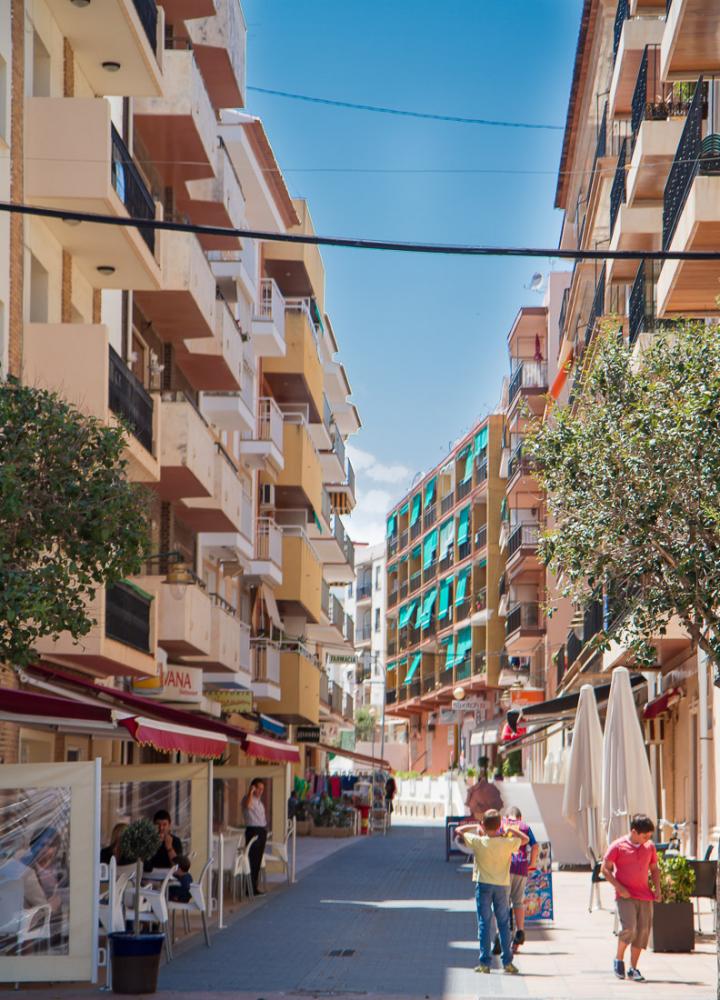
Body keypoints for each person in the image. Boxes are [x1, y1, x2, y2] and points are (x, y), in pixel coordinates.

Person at [456, 808, 529, 976]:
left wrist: (476, 826)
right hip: (502, 886)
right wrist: (510, 829)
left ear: (484, 825)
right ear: (499, 826)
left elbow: (458, 831)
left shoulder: (478, 841)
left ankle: (485, 963)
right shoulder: (506, 842)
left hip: (483, 886)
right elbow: (525, 840)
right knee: (503, 924)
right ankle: (508, 962)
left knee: (484, 923)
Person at [601, 813, 661, 982]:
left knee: (642, 932)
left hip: (645, 895)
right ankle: (618, 959)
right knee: (629, 928)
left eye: (650, 835)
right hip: (625, 895)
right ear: (634, 832)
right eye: (645, 835)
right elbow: (605, 869)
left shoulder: (649, 847)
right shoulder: (618, 846)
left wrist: (657, 889)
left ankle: (633, 968)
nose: (648, 838)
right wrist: (619, 887)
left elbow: (654, 869)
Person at [503, 806, 538, 950]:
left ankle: (503, 936)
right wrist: (532, 864)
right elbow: (535, 846)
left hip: (505, 867)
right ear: (520, 817)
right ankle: (520, 932)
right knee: (518, 901)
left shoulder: (502, 824)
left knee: (503, 903)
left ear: (507, 816)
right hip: (521, 867)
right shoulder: (525, 827)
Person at [242, 778, 267, 896]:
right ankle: (249, 888)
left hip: (261, 831)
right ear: (253, 787)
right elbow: (247, 805)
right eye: (259, 788)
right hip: (253, 831)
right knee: (252, 859)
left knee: (257, 860)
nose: (261, 791)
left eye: (262, 789)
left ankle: (254, 887)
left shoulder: (259, 802)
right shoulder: (247, 799)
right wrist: (250, 792)